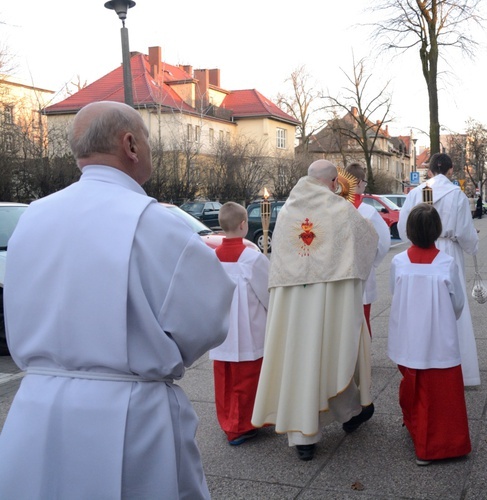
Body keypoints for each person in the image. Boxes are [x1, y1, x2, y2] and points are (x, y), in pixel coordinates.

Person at [0, 101, 235, 498]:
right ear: (130, 144)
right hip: (130, 414)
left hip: (36, 409)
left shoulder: (32, 218)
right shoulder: (154, 222)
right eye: (146, 137)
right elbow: (207, 318)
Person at [251, 159, 378, 461]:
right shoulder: (341, 209)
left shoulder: (287, 213)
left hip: (294, 303)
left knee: (297, 359)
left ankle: (306, 435)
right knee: (330, 353)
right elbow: (368, 240)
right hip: (328, 297)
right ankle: (348, 412)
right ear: (335, 181)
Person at [389, 203, 471, 466]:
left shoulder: (398, 262)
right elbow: (458, 303)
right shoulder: (446, 264)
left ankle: (417, 429)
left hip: (410, 336)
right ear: (437, 230)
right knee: (442, 393)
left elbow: (396, 294)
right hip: (439, 338)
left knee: (417, 387)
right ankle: (447, 442)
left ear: (409, 231)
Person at [397, 153, 481, 387]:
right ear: (451, 171)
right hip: (449, 250)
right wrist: (473, 246)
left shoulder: (418, 193)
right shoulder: (456, 195)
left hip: (421, 250)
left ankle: (422, 360)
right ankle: (458, 369)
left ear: (430, 171)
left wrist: (415, 239)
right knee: (452, 304)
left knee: (422, 306)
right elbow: (465, 231)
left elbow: (404, 228)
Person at [209, 202, 270, 446]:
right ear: (244, 225)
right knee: (247, 377)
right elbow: (268, 293)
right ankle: (244, 424)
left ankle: (229, 422)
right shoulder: (252, 258)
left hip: (223, 328)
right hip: (248, 328)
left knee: (225, 378)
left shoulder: (210, 256)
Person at [345, 162, 391, 336]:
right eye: (364, 182)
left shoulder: (333, 207)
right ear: (357, 182)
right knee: (363, 318)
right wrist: (373, 261)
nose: (364, 186)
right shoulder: (368, 211)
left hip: (339, 270)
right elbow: (384, 242)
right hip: (363, 269)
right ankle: (363, 360)